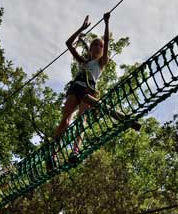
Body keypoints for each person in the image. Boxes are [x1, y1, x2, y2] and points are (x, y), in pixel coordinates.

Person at [48, 13, 140, 169]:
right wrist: (82, 29)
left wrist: (106, 23)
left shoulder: (101, 62)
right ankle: (53, 153)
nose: (98, 47)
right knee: (65, 119)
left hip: (88, 90)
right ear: (90, 48)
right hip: (75, 88)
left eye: (100, 45)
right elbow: (69, 43)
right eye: (95, 44)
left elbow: (107, 42)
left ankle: (75, 151)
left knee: (81, 120)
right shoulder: (84, 61)